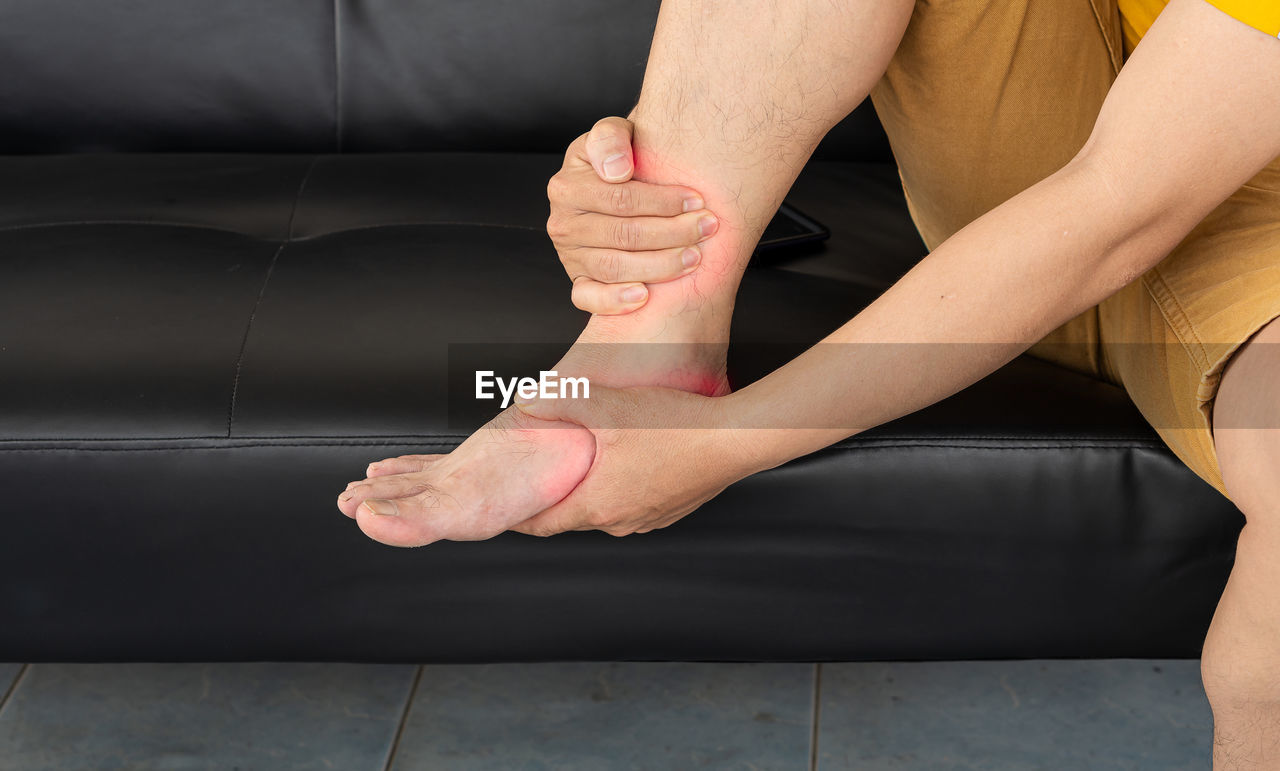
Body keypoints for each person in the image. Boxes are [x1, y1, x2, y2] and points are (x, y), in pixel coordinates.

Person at [336, 0, 1280, 763]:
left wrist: (718, 447)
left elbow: (1126, 202)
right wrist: (637, 222)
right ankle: (646, 336)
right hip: (1071, 128)